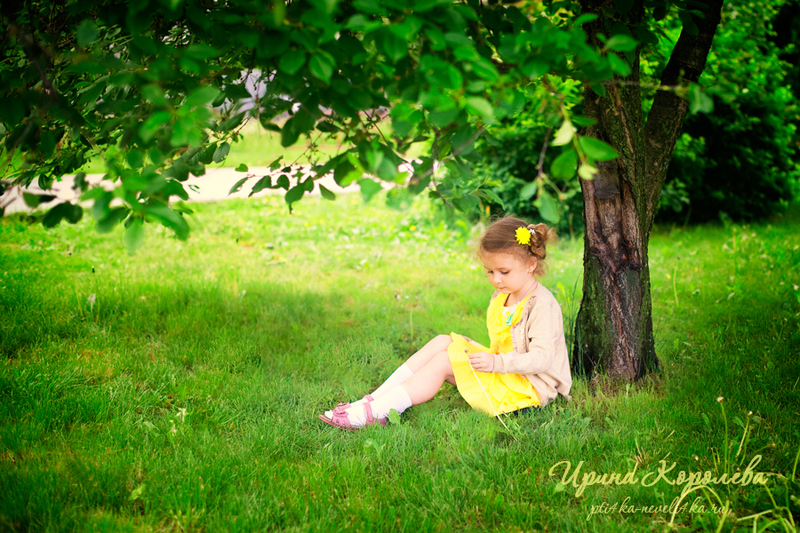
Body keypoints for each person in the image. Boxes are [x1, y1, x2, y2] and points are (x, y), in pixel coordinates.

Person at [318, 216, 572, 430]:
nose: (496, 279)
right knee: (444, 342)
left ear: (530, 264)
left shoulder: (541, 305)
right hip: (507, 371)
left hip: (530, 391)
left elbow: (542, 359)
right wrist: (483, 353)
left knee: (444, 361)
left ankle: (378, 413)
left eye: (504, 272)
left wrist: (496, 363)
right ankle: (373, 400)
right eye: (490, 271)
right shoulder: (504, 294)